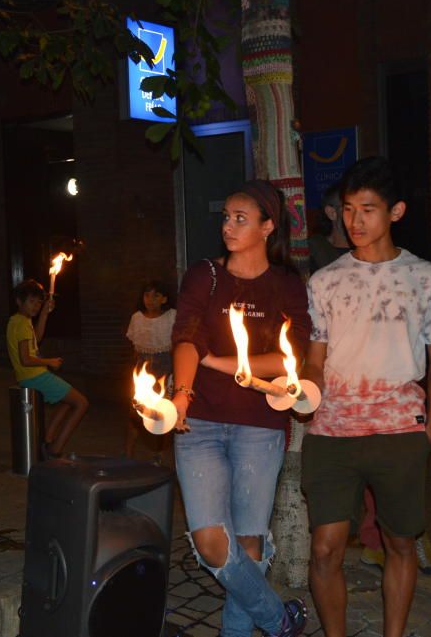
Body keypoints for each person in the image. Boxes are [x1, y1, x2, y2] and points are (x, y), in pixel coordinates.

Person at [302, 156, 431, 637]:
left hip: (399, 432)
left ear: (395, 212)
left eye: (367, 209)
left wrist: (430, 428)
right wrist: (304, 390)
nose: (354, 221)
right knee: (324, 549)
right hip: (331, 433)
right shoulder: (325, 281)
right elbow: (315, 359)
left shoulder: (427, 278)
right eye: (348, 209)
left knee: (399, 543)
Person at [170, 180, 311, 637]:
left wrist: (218, 362)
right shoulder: (205, 275)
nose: (228, 226)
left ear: (268, 227)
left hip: (259, 426)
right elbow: (186, 336)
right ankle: (279, 620)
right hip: (201, 424)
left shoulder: (286, 284)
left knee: (249, 544)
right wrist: (182, 393)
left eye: (240, 218)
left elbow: (292, 355)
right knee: (211, 542)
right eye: (226, 217)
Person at [6, 278, 89, 458]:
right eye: (31, 301)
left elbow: (36, 339)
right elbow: (25, 359)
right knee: (81, 403)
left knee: (67, 401)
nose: (35, 306)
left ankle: (48, 439)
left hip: (29, 376)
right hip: (35, 376)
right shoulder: (22, 324)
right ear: (19, 301)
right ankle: (54, 449)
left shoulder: (17, 320)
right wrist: (49, 362)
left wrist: (44, 314)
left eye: (38, 303)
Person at [125, 280, 177, 459]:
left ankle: (160, 455)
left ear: (164, 299)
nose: (150, 299)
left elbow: (177, 347)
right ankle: (127, 454)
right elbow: (135, 349)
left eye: (156, 295)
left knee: (163, 412)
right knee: (136, 412)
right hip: (142, 369)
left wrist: (174, 374)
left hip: (166, 368)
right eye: (147, 295)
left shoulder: (171, 316)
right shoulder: (137, 318)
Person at [307, 182, 350, 274]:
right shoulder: (315, 250)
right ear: (332, 213)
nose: (358, 217)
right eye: (349, 209)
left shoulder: (371, 251)